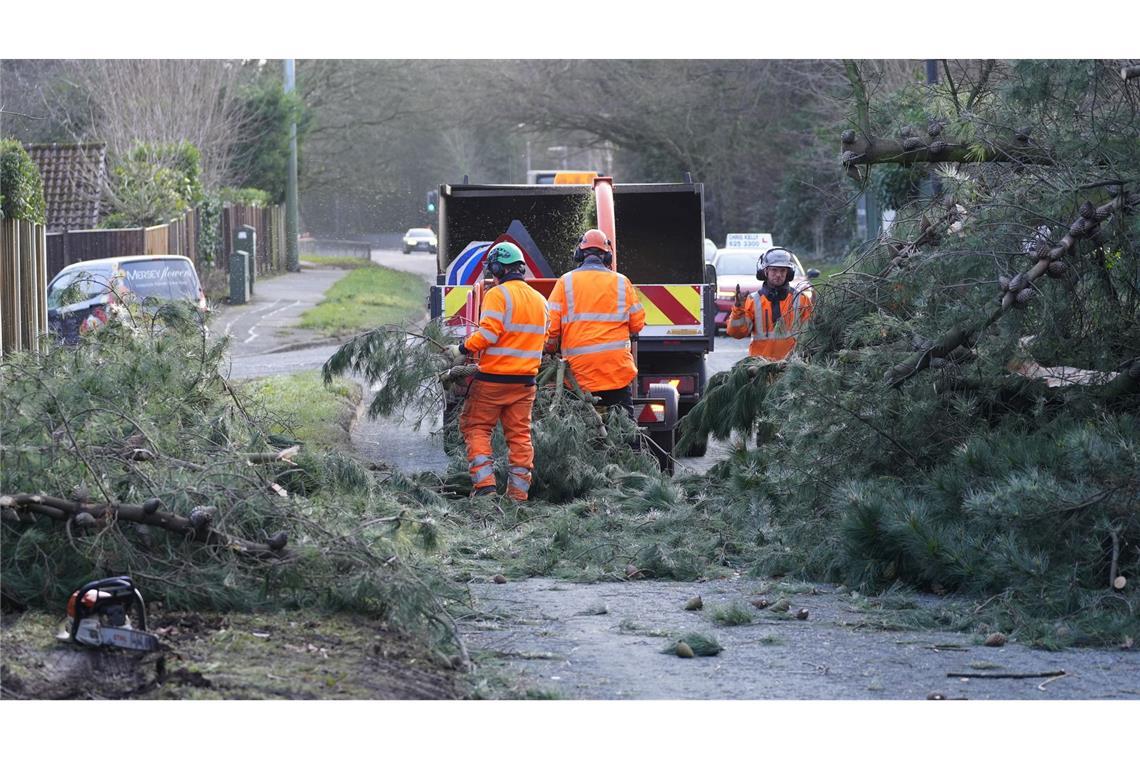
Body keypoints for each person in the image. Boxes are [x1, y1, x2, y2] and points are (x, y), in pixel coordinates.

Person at [445, 242, 548, 501]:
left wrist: (461, 348)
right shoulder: (540, 300)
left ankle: (485, 489)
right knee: (520, 437)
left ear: (497, 268)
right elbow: (544, 340)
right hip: (525, 383)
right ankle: (517, 497)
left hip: (492, 380)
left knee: (476, 428)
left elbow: (488, 334)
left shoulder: (497, 295)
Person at [544, 229, 646, 416]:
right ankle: (630, 446)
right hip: (616, 372)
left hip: (578, 375)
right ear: (607, 256)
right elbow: (638, 323)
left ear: (580, 254)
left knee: (576, 427)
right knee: (625, 429)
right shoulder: (622, 282)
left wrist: (550, 349)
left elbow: (550, 329)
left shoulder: (565, 282)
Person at [726, 248, 813, 360]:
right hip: (759, 367)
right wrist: (738, 310)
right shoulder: (753, 301)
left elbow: (811, 334)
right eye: (774, 270)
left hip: (792, 367)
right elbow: (736, 334)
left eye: (783, 271)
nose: (778, 274)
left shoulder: (801, 299)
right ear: (765, 272)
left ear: (788, 273)